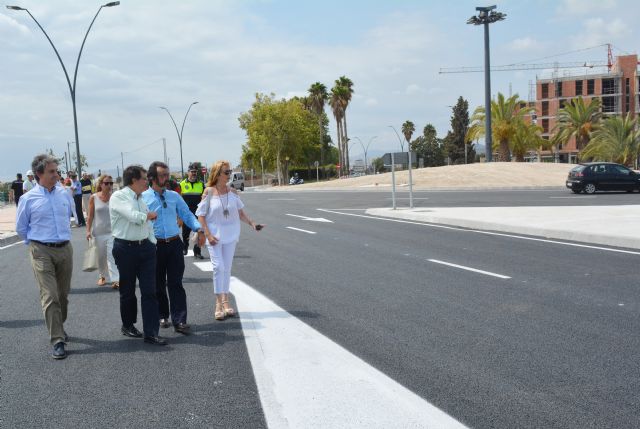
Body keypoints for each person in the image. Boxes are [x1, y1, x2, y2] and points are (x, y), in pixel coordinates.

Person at [16, 154, 75, 359]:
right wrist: (35, 245)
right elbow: (21, 228)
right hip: (41, 250)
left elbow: (70, 217)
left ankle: (59, 325)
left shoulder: (64, 194)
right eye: (52, 171)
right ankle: (57, 339)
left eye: (57, 171)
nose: (56, 175)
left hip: (65, 249)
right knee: (49, 296)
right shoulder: (27, 199)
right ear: (39, 174)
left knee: (63, 295)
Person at [196, 160, 262, 320]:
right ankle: (219, 303)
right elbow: (201, 216)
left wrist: (252, 223)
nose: (229, 174)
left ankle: (226, 301)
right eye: (226, 172)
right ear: (217, 174)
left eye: (229, 171)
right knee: (218, 267)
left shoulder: (233, 192)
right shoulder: (209, 192)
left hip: (230, 235)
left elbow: (240, 213)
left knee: (227, 268)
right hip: (214, 236)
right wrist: (208, 235)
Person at [143, 161, 204, 333]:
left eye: (167, 174)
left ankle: (180, 320)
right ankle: (163, 315)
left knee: (176, 283)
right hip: (154, 246)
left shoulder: (174, 196)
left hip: (174, 244)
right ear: (152, 178)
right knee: (158, 284)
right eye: (162, 175)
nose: (166, 178)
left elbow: (187, 214)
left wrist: (198, 228)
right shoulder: (142, 198)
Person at [109, 165, 166, 345]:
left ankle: (151, 333)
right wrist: (147, 215)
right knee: (128, 291)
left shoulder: (141, 198)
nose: (146, 181)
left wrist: (152, 242)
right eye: (143, 178)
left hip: (146, 249)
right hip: (125, 249)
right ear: (133, 180)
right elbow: (133, 216)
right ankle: (128, 325)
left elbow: (147, 224)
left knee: (150, 291)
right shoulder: (119, 196)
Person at [85, 175, 119, 289]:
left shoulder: (115, 197)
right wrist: (88, 231)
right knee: (101, 257)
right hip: (98, 232)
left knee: (112, 256)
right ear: (100, 184)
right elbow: (90, 216)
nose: (109, 185)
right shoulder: (93, 198)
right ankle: (102, 276)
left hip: (112, 233)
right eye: (106, 183)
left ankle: (115, 279)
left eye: (111, 183)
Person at [180, 165, 205, 259]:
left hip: (198, 213)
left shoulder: (201, 184)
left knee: (198, 232)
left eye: (195, 171)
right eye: (192, 171)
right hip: (186, 212)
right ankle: (185, 247)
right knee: (185, 232)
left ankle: (197, 251)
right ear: (188, 172)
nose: (194, 173)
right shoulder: (182, 184)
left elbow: (205, 198)